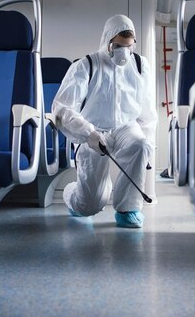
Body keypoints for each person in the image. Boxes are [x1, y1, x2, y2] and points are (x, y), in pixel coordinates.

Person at [52, 14, 157, 228]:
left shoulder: (139, 65)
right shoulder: (86, 65)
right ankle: (74, 194)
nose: (123, 52)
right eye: (118, 46)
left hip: (126, 126)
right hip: (94, 129)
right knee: (89, 206)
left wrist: (148, 149)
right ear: (108, 41)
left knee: (140, 144)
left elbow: (147, 111)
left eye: (128, 46)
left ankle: (128, 208)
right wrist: (88, 134)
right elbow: (61, 108)